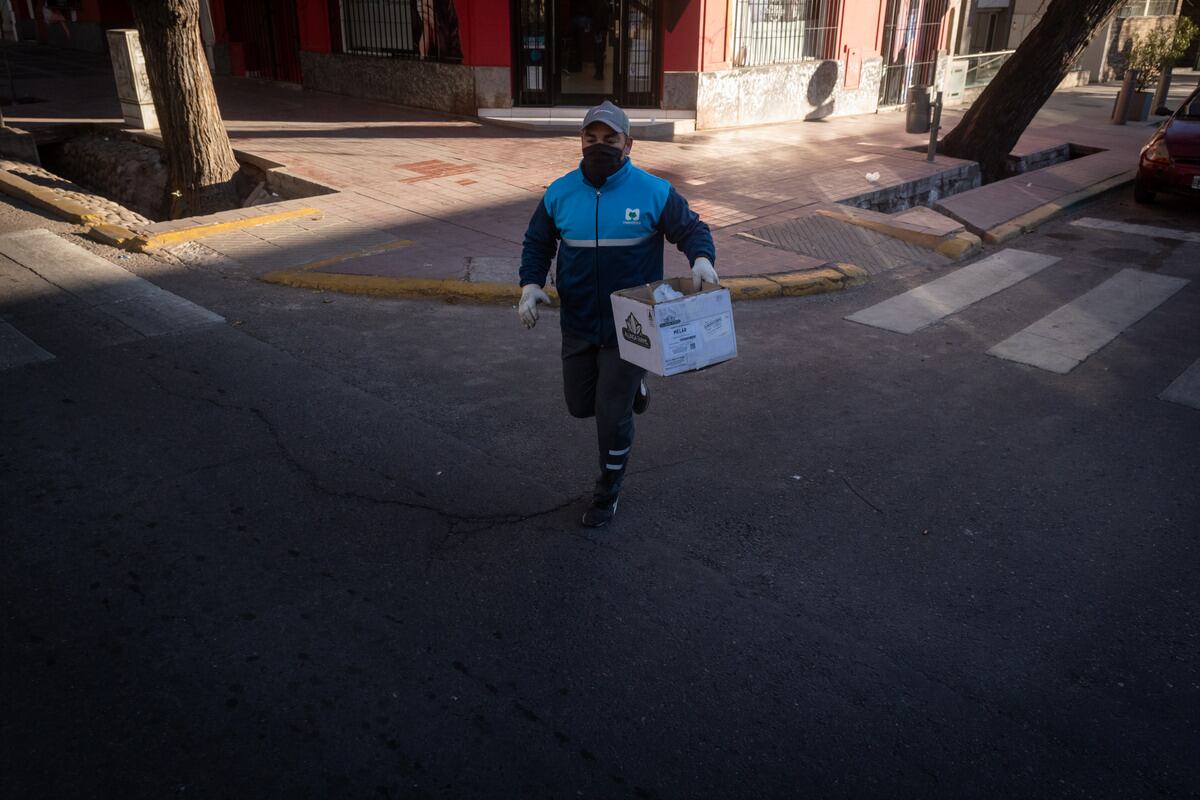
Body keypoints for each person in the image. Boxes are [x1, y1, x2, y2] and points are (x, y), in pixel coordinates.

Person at [518, 101, 718, 528]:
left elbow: (692, 228)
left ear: (629, 144)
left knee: (611, 414)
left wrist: (701, 259)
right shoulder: (560, 192)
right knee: (578, 405)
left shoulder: (653, 191)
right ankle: (637, 389)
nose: (600, 146)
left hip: (633, 326)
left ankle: (608, 489)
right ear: (581, 141)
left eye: (610, 139)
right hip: (578, 321)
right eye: (592, 139)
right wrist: (530, 284)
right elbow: (538, 243)